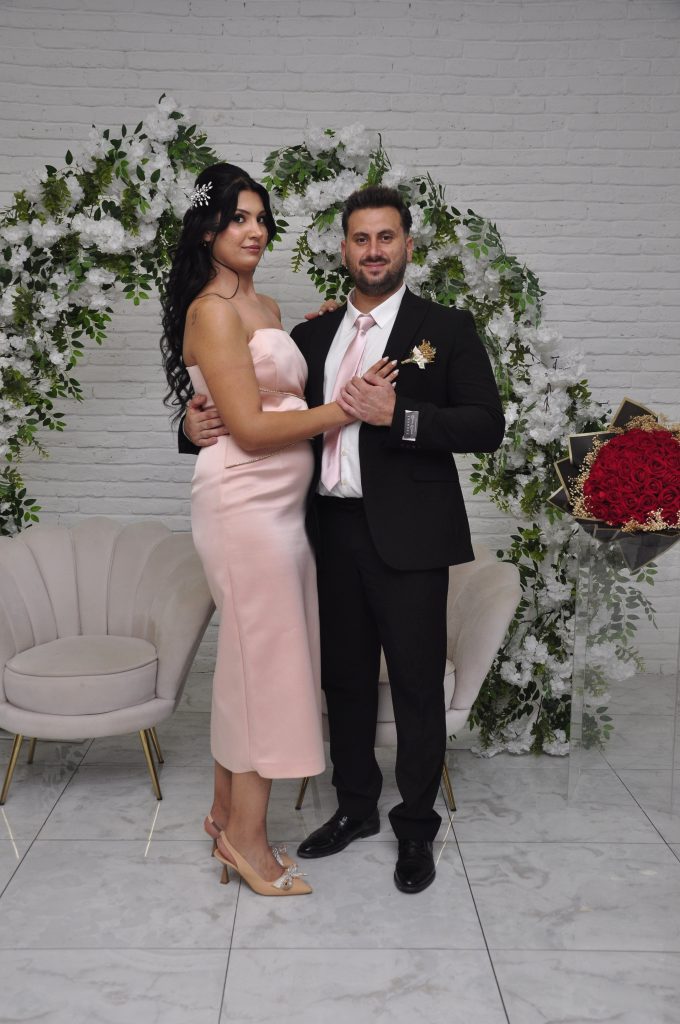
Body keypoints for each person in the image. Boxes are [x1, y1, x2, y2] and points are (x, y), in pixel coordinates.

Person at [181, 185, 504, 894]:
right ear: (344, 249)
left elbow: (487, 425)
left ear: (407, 245)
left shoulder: (445, 327)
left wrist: (399, 414)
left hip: (410, 537)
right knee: (345, 682)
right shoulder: (313, 333)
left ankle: (414, 827)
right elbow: (248, 404)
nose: (374, 250)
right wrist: (188, 425)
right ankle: (355, 807)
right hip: (322, 529)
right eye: (361, 239)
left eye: (386, 237)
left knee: (416, 686)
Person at [161, 164, 398, 898]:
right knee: (264, 668)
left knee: (248, 665)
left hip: (281, 511)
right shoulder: (211, 310)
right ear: (207, 228)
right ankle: (248, 841)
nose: (255, 230)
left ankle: (223, 815)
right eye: (238, 218)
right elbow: (253, 428)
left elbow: (280, 387)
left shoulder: (263, 304)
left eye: (261, 218)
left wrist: (325, 333)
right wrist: (350, 409)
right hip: (243, 505)